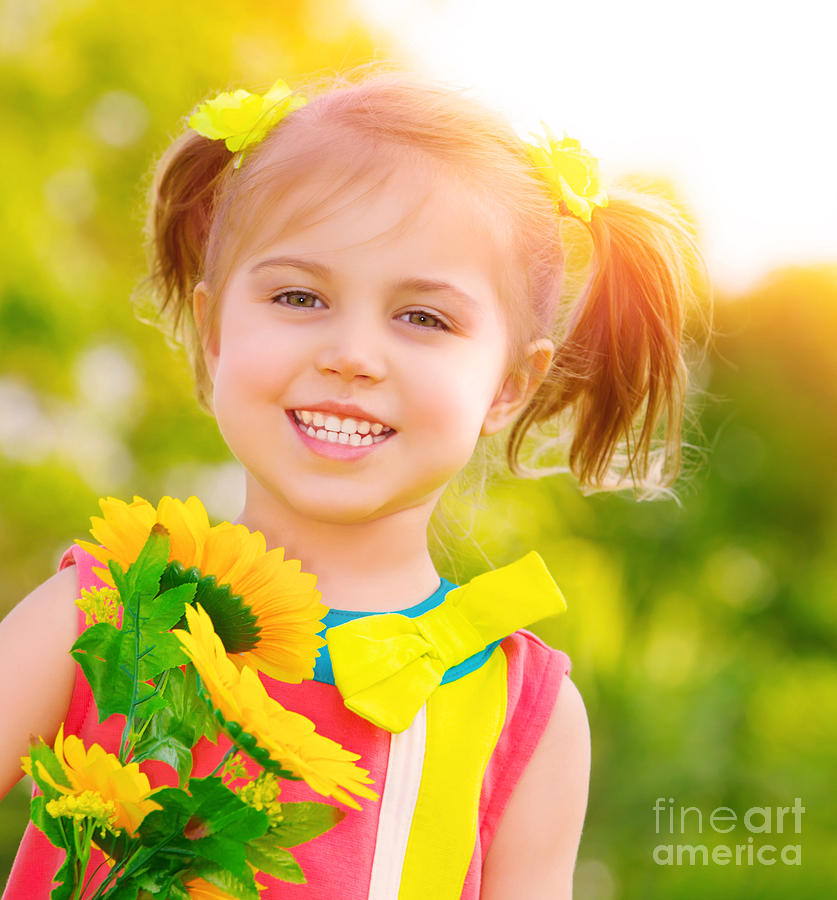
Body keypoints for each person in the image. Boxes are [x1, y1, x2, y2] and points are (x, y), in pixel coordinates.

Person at [0, 63, 704, 898]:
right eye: (299, 297)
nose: (351, 355)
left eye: (422, 317)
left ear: (509, 384)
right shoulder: (105, 611)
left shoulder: (524, 717)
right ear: (216, 328)